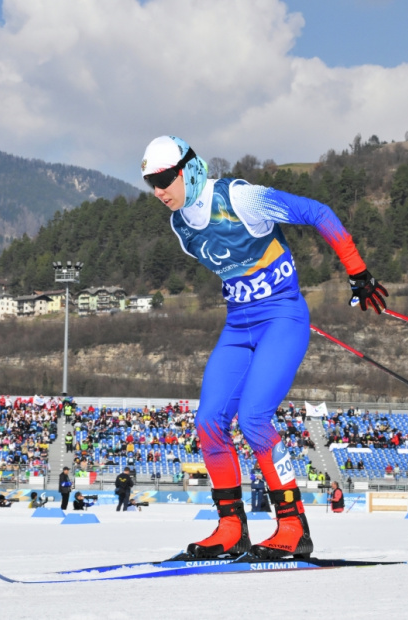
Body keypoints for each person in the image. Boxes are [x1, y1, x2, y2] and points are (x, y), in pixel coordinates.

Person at [141, 135, 387, 560]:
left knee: (253, 417)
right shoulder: (180, 225)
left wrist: (358, 273)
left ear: (189, 168)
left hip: (282, 320)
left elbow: (317, 212)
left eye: (165, 178)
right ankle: (231, 529)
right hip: (239, 327)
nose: (160, 190)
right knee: (208, 422)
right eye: (151, 183)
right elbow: (234, 265)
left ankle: (293, 528)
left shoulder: (241, 199)